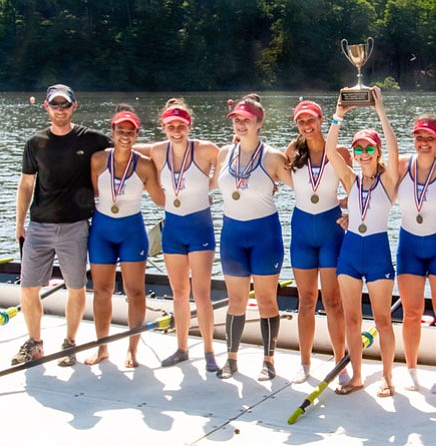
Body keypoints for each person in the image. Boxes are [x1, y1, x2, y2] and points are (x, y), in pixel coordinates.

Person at [13, 84, 111, 366]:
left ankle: (70, 343)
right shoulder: (35, 143)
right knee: (28, 288)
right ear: (46, 107)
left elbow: (125, 147)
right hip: (39, 226)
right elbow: (26, 184)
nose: (60, 110)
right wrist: (19, 223)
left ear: (74, 106)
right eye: (54, 105)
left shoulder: (90, 139)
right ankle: (35, 343)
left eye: (64, 105)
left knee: (76, 288)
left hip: (75, 227)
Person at [324, 87, 399, 397]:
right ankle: (356, 376)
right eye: (359, 150)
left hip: (378, 253)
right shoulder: (351, 180)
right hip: (351, 252)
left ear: (377, 152)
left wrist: (379, 111)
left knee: (382, 319)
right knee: (352, 318)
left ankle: (387, 377)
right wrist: (338, 116)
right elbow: (330, 152)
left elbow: (394, 150)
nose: (364, 155)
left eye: (369, 149)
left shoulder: (389, 180)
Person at [136, 98, 220, 372]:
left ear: (189, 125)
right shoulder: (157, 151)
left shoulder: (205, 149)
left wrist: (212, 184)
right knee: (179, 293)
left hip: (200, 227)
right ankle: (182, 348)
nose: (176, 130)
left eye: (181, 125)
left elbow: (235, 158)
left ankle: (209, 351)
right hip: (172, 227)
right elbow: (123, 147)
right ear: (163, 126)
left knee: (202, 293)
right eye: (170, 125)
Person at [216, 94, 292, 381]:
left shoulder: (272, 157)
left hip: (264, 236)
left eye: (246, 120)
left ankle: (268, 360)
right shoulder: (225, 154)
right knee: (235, 300)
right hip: (232, 236)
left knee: (266, 301)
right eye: (236, 119)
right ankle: (231, 359)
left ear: (259, 123)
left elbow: (306, 187)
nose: (240, 124)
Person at [84, 105, 164, 367]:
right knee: (102, 291)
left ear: (137, 134)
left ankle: (132, 349)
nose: (126, 136)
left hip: (132, 232)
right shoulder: (97, 160)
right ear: (113, 131)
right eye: (121, 131)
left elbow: (160, 199)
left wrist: (192, 202)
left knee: (135, 292)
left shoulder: (144, 165)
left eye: (131, 132)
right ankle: (102, 348)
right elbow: (93, 193)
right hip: (102, 231)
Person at [284, 100, 351, 384]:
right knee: (306, 300)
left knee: (333, 301)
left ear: (322, 120)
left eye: (311, 120)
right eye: (301, 121)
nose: (307, 126)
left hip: (330, 231)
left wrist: (349, 212)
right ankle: (305, 362)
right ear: (296, 124)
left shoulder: (340, 151)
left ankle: (340, 364)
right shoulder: (292, 152)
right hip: (301, 232)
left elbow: (356, 189)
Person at [396, 114, 436, 393]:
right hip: (409, 244)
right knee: (411, 313)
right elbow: (370, 185)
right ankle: (411, 371)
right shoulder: (401, 165)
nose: (423, 143)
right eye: (419, 137)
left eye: (430, 139)